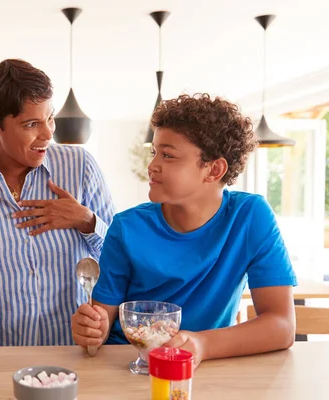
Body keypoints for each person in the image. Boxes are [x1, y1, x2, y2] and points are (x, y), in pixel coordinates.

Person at [71, 94, 297, 367]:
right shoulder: (126, 227)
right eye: (154, 152)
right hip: (129, 365)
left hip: (209, 365)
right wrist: (92, 329)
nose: (152, 165)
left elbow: (281, 325)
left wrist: (201, 344)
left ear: (213, 169)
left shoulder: (250, 217)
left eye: (168, 155)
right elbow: (103, 319)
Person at [0, 59, 115, 346]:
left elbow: (119, 257)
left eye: (50, 118)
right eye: (31, 124)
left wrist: (87, 221)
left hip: (71, 351)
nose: (48, 133)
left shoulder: (80, 167)